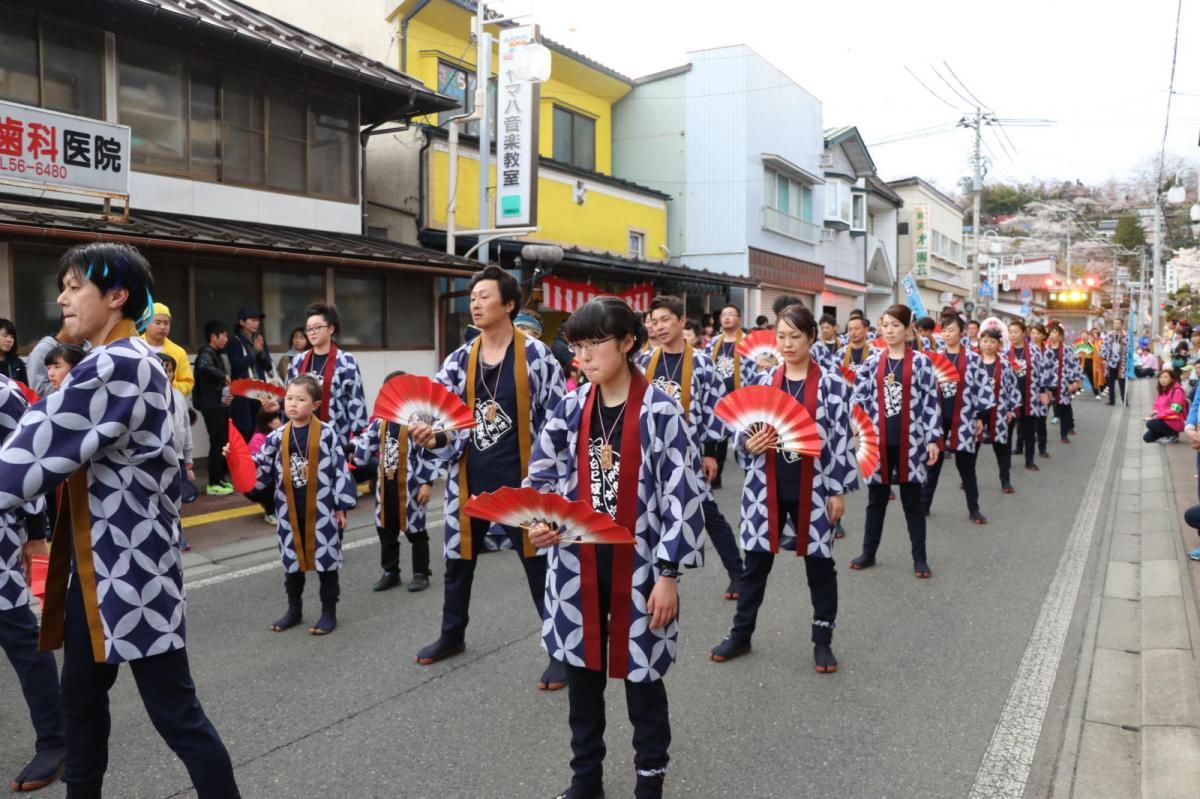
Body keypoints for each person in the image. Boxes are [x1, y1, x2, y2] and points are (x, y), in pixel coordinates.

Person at [0, 241, 239, 798]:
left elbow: (34, 450)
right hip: (104, 571)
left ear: (117, 296)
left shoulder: (115, 364)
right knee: (81, 702)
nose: (62, 297)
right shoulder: (129, 360)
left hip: (126, 575)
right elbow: (43, 422)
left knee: (176, 713)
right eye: (63, 286)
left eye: (75, 286)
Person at [525, 297, 703, 799]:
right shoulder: (570, 406)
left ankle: (650, 779)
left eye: (595, 342)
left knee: (642, 680)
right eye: (576, 344)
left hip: (643, 566)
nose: (582, 354)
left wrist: (669, 574)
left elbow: (682, 496)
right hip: (575, 564)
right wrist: (543, 521)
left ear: (628, 343)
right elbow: (543, 475)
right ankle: (587, 780)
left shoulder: (661, 410)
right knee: (583, 681)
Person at [409, 266, 567, 690]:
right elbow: (438, 413)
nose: (475, 303)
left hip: (523, 482)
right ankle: (452, 634)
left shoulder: (537, 356)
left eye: (484, 296)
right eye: (472, 297)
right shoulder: (459, 359)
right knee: (459, 562)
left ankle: (561, 650)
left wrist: (553, 482)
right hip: (470, 477)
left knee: (539, 566)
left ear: (509, 304)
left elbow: (559, 420)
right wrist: (430, 434)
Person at [709, 303, 857, 672]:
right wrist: (747, 445)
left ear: (811, 338)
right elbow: (741, 431)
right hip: (765, 487)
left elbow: (841, 441)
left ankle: (822, 639)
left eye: (795, 336)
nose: (787, 344)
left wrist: (837, 490)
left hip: (816, 487)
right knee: (755, 565)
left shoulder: (834, 385)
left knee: (820, 565)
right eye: (782, 336)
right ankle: (741, 634)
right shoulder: (762, 381)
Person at [639, 295, 745, 599]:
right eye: (654, 321)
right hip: (650, 455)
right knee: (650, 515)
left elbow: (716, 409)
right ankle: (656, 577)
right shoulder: (644, 362)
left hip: (688, 454)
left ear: (681, 321)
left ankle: (738, 574)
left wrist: (711, 453)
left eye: (665, 320)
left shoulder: (701, 363)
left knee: (708, 514)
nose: (658, 327)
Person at [236, 375, 356, 635]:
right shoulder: (276, 436)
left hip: (322, 510)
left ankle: (328, 611)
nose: (293, 404)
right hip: (288, 510)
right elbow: (261, 468)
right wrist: (236, 459)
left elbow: (339, 470)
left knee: (327, 562)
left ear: (315, 404)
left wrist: (340, 508)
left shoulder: (327, 434)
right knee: (292, 563)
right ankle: (294, 608)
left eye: (301, 399)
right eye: (289, 398)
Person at [0, 374, 66, 792]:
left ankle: (56, 740)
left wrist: (36, 532)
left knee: (21, 638)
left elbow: (30, 462)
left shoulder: (4, 394)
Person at [848, 304, 940, 577]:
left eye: (895, 325)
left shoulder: (922, 362)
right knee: (876, 499)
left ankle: (919, 558)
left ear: (908, 329)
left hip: (911, 442)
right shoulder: (873, 361)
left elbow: (930, 402)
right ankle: (869, 552)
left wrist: (933, 439)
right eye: (885, 325)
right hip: (877, 442)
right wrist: (857, 424)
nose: (889, 330)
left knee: (912, 502)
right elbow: (858, 396)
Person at [352, 371, 435, 593]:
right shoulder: (380, 420)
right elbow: (363, 449)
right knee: (385, 529)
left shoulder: (420, 420)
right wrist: (352, 449)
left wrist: (428, 483)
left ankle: (421, 572)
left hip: (412, 484)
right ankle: (391, 571)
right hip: (385, 484)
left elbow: (429, 453)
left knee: (415, 530)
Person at [920, 312, 992, 524]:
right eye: (944, 330)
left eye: (951, 329)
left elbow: (983, 388)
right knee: (932, 465)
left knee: (966, 468)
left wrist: (981, 417)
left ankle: (974, 508)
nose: (947, 334)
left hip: (964, 418)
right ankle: (924, 506)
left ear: (962, 333)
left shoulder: (973, 358)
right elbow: (924, 390)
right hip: (938, 419)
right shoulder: (934, 358)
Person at [287, 303, 367, 454]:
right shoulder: (298, 361)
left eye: (317, 327)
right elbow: (288, 398)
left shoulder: (346, 361)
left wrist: (355, 441)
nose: (312, 332)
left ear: (331, 329)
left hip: (337, 440)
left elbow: (356, 403)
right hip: (301, 438)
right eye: (309, 329)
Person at [708, 304, 751, 491]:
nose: (726, 318)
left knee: (746, 437)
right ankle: (716, 476)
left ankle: (750, 475)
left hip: (742, 398)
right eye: (724, 314)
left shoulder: (748, 342)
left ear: (739, 319)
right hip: (719, 398)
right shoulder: (713, 342)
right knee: (718, 437)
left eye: (731, 314)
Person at [158, 353, 195, 552]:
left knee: (175, 501)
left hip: (178, 456)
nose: (167, 373)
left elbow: (186, 428)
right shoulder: (150, 396)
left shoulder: (179, 396)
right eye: (162, 369)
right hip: (157, 457)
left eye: (170, 370)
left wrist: (189, 457)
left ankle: (177, 537)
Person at [977, 328, 1020, 493]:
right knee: (972, 448)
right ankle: (967, 479)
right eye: (985, 341)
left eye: (992, 342)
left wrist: (1010, 409)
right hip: (977, 413)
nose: (988, 345)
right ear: (980, 342)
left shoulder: (1005, 364)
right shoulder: (973, 361)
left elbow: (1012, 388)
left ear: (999, 344)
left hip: (1000, 410)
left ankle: (1005, 480)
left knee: (1002, 448)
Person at [193, 321, 234, 496]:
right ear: (213, 336)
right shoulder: (206, 352)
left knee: (222, 441)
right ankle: (213, 483)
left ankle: (219, 478)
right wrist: (223, 375)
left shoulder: (215, 353)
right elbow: (203, 366)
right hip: (212, 405)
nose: (226, 339)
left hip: (219, 404)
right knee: (217, 442)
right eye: (223, 335)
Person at [227, 306, 274, 442]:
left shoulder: (259, 339)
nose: (256, 323)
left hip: (260, 392)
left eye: (257, 320)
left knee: (261, 428)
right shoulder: (234, 341)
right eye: (252, 320)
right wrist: (254, 351)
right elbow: (236, 367)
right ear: (242, 322)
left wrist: (261, 352)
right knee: (245, 430)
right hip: (244, 394)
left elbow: (268, 366)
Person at [141, 303, 194, 398]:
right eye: (157, 322)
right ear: (145, 323)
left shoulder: (178, 352)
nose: (162, 327)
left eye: (166, 323)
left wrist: (169, 385)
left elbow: (187, 383)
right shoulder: (133, 347)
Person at [1045, 323, 1084, 444]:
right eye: (1050, 332)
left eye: (1055, 332)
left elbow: (1074, 365)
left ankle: (1064, 434)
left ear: (1060, 335)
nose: (1052, 335)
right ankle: (1039, 434)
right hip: (1048, 384)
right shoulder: (1046, 350)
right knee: (1043, 408)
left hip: (1063, 383)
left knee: (1064, 409)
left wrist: (1074, 382)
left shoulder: (1067, 349)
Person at [246, 407, 282, 526]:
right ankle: (270, 512)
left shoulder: (275, 436)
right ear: (269, 422)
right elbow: (263, 467)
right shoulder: (259, 439)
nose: (280, 420)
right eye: (276, 418)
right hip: (257, 482)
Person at [1028, 323, 1053, 458]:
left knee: (1042, 420)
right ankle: (1020, 446)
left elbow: (1052, 371)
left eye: (1038, 333)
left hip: (1044, 390)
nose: (1035, 335)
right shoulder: (1025, 350)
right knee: (1026, 421)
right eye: (1032, 332)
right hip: (1029, 390)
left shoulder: (1048, 351)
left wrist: (1050, 389)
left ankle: (1042, 448)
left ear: (1043, 335)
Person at [1144, 369, 1188, 444]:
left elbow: (1176, 409)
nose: (1162, 380)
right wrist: (1155, 412)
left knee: (1150, 424)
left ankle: (1174, 434)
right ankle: (1168, 434)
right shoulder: (1163, 390)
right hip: (1164, 420)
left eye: (1166, 377)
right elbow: (1156, 404)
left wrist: (1159, 415)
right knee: (1147, 438)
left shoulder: (1177, 391)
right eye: (1160, 377)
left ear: (1171, 379)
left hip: (1175, 421)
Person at [1101, 317, 1129, 406]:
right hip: (1110, 360)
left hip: (1122, 361)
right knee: (1110, 381)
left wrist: (1129, 359)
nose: (1116, 325)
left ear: (1121, 325)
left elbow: (1129, 349)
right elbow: (1104, 347)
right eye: (1115, 323)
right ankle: (1111, 400)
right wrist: (1104, 359)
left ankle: (1124, 400)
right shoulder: (1109, 334)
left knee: (1122, 381)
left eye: (1118, 323)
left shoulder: (1125, 335)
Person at [0, 319, 28, 386]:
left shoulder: (17, 363)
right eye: (5, 336)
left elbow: (25, 391)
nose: (9, 340)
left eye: (12, 337)